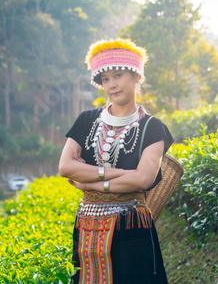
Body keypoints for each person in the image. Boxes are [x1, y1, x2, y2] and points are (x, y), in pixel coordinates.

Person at [58, 38, 174, 283]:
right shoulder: (87, 120)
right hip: (87, 222)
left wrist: (89, 180)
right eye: (105, 79)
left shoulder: (153, 127)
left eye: (118, 75)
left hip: (132, 224)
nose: (111, 84)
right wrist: (118, 173)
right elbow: (65, 167)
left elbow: (143, 180)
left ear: (136, 76)